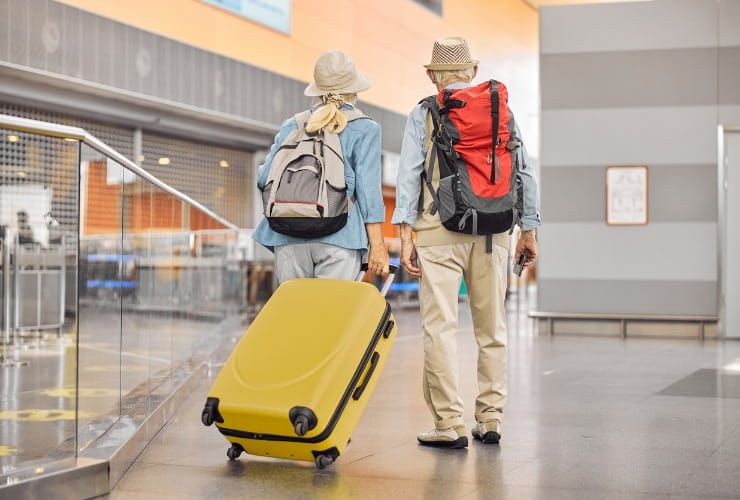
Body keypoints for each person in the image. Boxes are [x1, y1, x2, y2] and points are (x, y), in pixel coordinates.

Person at [392, 37, 541, 448]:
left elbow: (408, 176)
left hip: (438, 231)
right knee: (492, 329)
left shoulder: (424, 111)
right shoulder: (502, 109)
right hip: (495, 231)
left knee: (440, 329)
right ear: (472, 72)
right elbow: (525, 173)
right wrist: (528, 230)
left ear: (432, 75)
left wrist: (405, 235)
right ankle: (490, 419)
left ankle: (449, 424)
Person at [254, 51, 389, 282]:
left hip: (287, 237)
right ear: (354, 91)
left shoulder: (293, 125)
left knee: (297, 315)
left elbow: (264, 177)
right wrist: (378, 246)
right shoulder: (366, 128)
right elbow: (369, 194)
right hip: (341, 238)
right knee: (333, 316)